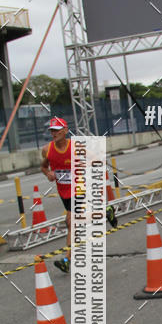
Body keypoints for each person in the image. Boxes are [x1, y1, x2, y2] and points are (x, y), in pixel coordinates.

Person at [41, 117, 117, 273]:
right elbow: (43, 166)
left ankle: (67, 259)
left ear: (65, 131)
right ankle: (105, 212)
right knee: (72, 223)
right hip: (63, 191)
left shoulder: (76, 147)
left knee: (71, 221)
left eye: (56, 130)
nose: (53, 133)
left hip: (79, 188)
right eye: (51, 130)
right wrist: (48, 173)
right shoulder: (47, 149)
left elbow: (96, 160)